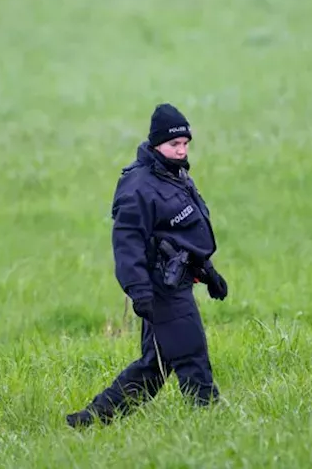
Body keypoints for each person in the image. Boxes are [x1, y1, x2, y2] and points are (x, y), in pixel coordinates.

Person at [67, 104, 229, 428]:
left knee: (155, 367)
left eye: (185, 144)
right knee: (192, 353)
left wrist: (208, 273)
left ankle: (94, 420)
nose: (181, 151)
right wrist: (139, 290)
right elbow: (127, 243)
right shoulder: (138, 186)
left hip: (179, 281)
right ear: (156, 144)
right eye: (174, 145)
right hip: (161, 289)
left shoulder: (177, 176)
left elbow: (181, 235)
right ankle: (212, 421)